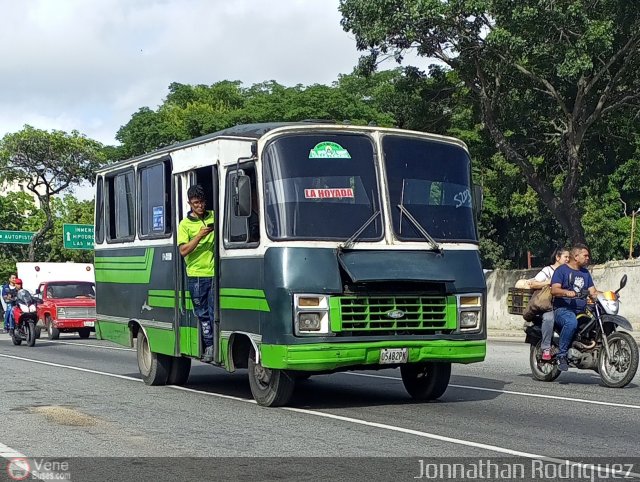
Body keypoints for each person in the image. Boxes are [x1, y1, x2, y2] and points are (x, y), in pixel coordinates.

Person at [178, 184, 215, 362]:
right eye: (195, 203)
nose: (199, 206)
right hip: (196, 276)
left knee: (214, 311)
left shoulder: (213, 215)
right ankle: (208, 346)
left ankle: (215, 344)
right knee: (203, 314)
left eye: (201, 202)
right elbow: (183, 250)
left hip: (215, 273)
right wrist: (199, 235)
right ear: (189, 204)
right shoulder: (184, 225)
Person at [550, 243, 599, 372]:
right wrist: (566, 292)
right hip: (562, 309)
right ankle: (561, 355)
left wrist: (609, 294)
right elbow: (554, 290)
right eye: (585, 255)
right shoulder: (562, 270)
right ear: (576, 256)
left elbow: (593, 292)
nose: (588, 258)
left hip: (581, 311)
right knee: (571, 322)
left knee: (596, 323)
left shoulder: (585, 273)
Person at [530, 248, 570, 361]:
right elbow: (533, 284)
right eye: (565, 257)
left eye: (569, 257)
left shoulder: (568, 272)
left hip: (564, 304)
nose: (568, 259)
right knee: (549, 318)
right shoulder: (548, 270)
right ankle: (546, 348)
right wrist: (549, 282)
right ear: (558, 257)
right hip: (548, 305)